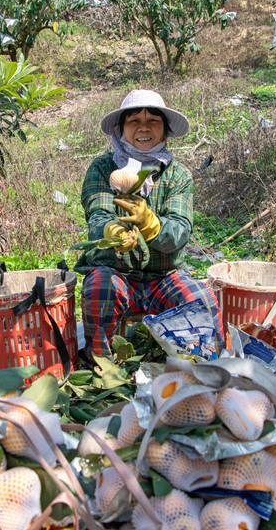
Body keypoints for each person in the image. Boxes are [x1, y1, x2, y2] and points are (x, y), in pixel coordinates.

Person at [74, 89, 221, 356]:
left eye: (153, 120)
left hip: (163, 277)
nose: (144, 128)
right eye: (134, 121)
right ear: (121, 129)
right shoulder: (102, 169)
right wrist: (115, 232)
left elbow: (179, 231)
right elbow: (98, 216)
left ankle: (200, 365)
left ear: (164, 130)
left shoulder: (178, 175)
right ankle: (100, 364)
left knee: (201, 300)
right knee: (100, 288)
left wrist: (150, 224)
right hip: (117, 274)